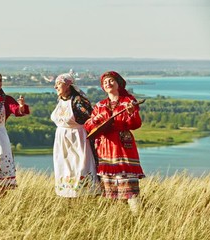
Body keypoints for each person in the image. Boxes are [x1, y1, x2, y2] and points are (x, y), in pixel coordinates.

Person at [84, 71, 145, 213]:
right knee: (109, 188)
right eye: (105, 82)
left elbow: (136, 124)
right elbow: (88, 126)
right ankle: (117, 217)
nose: (108, 84)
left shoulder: (128, 102)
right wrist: (96, 119)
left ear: (118, 83)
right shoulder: (100, 105)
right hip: (105, 148)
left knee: (129, 184)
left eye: (111, 81)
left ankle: (138, 216)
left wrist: (131, 112)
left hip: (124, 147)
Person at [50, 73, 98, 197]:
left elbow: (92, 118)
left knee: (80, 165)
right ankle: (68, 195)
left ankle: (85, 195)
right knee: (65, 166)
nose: (55, 87)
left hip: (77, 139)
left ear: (68, 84)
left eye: (58, 83)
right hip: (62, 140)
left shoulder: (78, 100)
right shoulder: (61, 100)